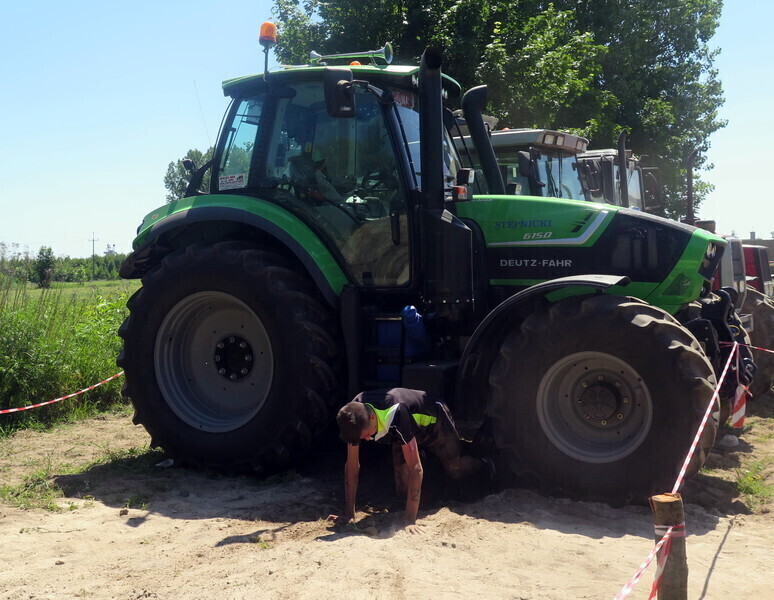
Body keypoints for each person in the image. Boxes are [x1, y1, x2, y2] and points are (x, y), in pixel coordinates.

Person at [328, 388, 490, 532]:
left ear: (371, 417)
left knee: (455, 468)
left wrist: (410, 520)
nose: (368, 439)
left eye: (367, 435)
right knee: (403, 489)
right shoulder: (354, 414)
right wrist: (349, 513)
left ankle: (487, 463)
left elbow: (416, 468)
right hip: (403, 432)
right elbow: (352, 466)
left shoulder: (397, 413)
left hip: (434, 420)